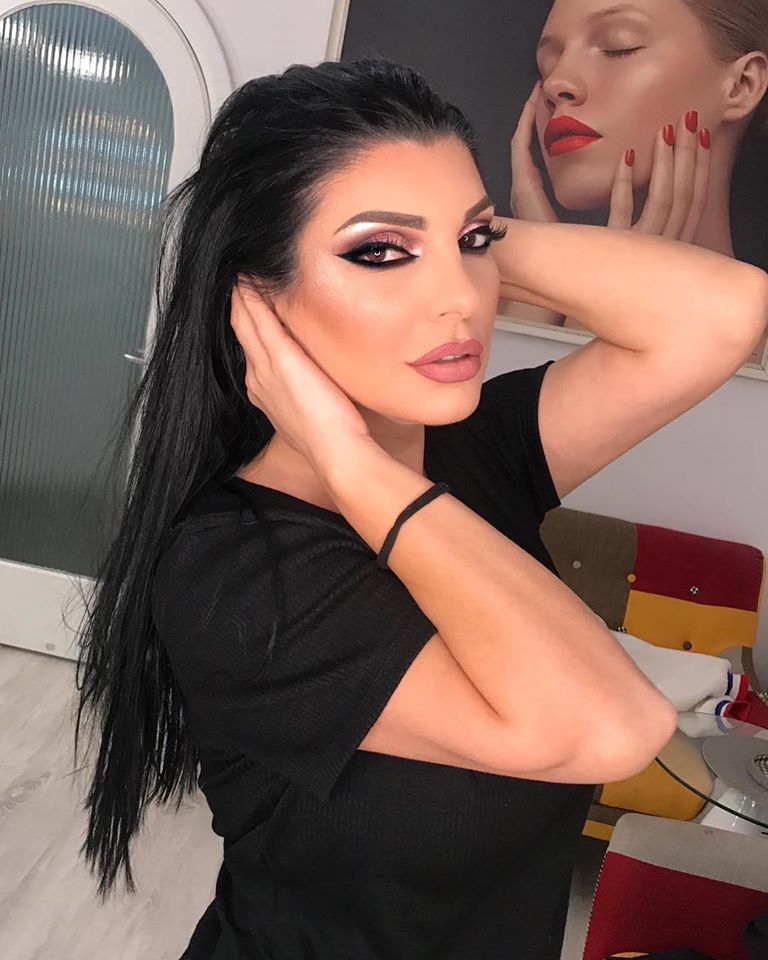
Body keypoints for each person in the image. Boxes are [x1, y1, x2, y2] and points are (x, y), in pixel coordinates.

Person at [72, 58, 767, 960]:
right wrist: (351, 465)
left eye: (475, 243)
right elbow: (612, 726)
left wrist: (453, 235)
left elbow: (726, 311)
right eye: (378, 253)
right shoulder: (231, 571)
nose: (461, 299)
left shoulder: (475, 446)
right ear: (256, 302)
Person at [500, 0, 768, 362]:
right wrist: (543, 279)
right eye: (547, 64)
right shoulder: (461, 309)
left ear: (741, 85)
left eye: (618, 47)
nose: (557, 83)